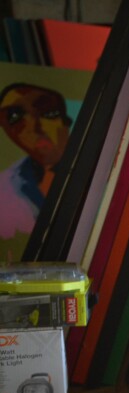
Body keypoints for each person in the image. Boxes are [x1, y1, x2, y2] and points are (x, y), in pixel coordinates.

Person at [0, 83, 72, 262]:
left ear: (66, 121)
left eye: (48, 112)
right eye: (15, 118)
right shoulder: (6, 188)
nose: (34, 126)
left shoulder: (111, 169)